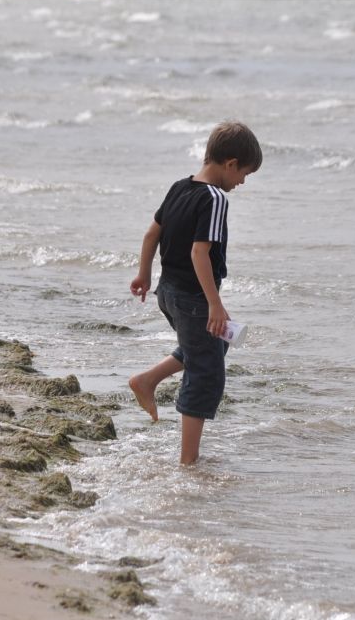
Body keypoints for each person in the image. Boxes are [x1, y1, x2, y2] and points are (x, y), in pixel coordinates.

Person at [128, 121, 262, 465]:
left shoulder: (178, 187)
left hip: (168, 291)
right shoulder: (215, 199)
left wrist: (144, 274)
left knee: (211, 344)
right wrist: (215, 304)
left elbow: (150, 235)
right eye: (244, 174)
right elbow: (198, 253)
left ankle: (147, 380)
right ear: (230, 164)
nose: (242, 182)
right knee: (206, 371)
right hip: (192, 297)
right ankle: (189, 461)